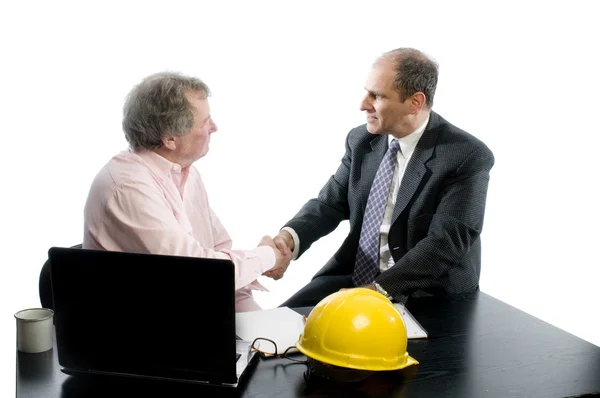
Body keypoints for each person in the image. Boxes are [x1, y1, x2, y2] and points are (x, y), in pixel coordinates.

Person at [272, 48, 495, 307]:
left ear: (415, 102)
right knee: (273, 332)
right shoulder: (362, 140)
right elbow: (329, 204)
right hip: (354, 279)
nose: (363, 104)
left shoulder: (466, 156)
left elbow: (444, 244)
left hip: (427, 294)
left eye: (376, 96)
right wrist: (288, 239)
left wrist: (375, 292)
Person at [83, 72, 291, 312]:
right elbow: (199, 271)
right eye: (204, 122)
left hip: (192, 319)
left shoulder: (186, 174)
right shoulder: (127, 187)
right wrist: (268, 257)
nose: (214, 127)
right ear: (170, 138)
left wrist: (262, 325)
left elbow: (218, 255)